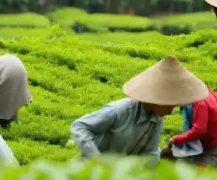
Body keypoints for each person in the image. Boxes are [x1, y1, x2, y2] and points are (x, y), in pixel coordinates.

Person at [71, 56, 208, 165]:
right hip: (89, 172)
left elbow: (151, 152)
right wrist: (97, 160)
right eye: (170, 104)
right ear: (157, 99)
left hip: (116, 178)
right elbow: (79, 126)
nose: (171, 111)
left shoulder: (156, 120)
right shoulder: (118, 111)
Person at [166, 88, 217, 171]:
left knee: (201, 175)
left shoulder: (200, 101)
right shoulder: (204, 93)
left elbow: (199, 130)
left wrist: (176, 139)